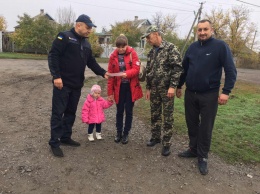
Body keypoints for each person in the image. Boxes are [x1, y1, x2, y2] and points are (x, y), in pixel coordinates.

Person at [176, 19, 237, 175]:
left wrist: (226, 91)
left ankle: (203, 156)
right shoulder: (192, 47)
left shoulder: (220, 46)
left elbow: (230, 70)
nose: (202, 32)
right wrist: (178, 85)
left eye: (205, 29)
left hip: (209, 94)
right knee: (191, 123)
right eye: (199, 30)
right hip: (190, 93)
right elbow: (184, 69)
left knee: (206, 126)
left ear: (212, 30)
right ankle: (193, 149)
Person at [48, 14, 109, 157]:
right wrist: (56, 76)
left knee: (70, 112)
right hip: (62, 84)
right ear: (79, 25)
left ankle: (65, 137)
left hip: (76, 85)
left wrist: (103, 73)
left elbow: (91, 62)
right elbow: (53, 55)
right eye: (88, 27)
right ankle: (54, 142)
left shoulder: (86, 43)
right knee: (58, 113)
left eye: (91, 28)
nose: (90, 31)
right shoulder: (64, 37)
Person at [141, 26, 183, 156]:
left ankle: (167, 143)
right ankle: (155, 137)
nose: (147, 40)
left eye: (149, 37)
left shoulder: (171, 48)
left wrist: (173, 86)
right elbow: (149, 71)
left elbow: (177, 68)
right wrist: (148, 88)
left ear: (156, 34)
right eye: (146, 38)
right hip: (153, 89)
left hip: (166, 89)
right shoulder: (151, 52)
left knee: (168, 116)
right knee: (155, 114)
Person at [107, 34, 143, 144]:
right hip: (119, 88)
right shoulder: (113, 57)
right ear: (116, 46)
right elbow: (110, 76)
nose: (121, 49)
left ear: (127, 45)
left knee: (129, 111)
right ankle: (119, 132)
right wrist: (110, 93)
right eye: (119, 47)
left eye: (123, 46)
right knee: (119, 111)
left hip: (130, 88)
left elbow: (136, 69)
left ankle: (126, 133)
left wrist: (126, 74)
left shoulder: (133, 54)